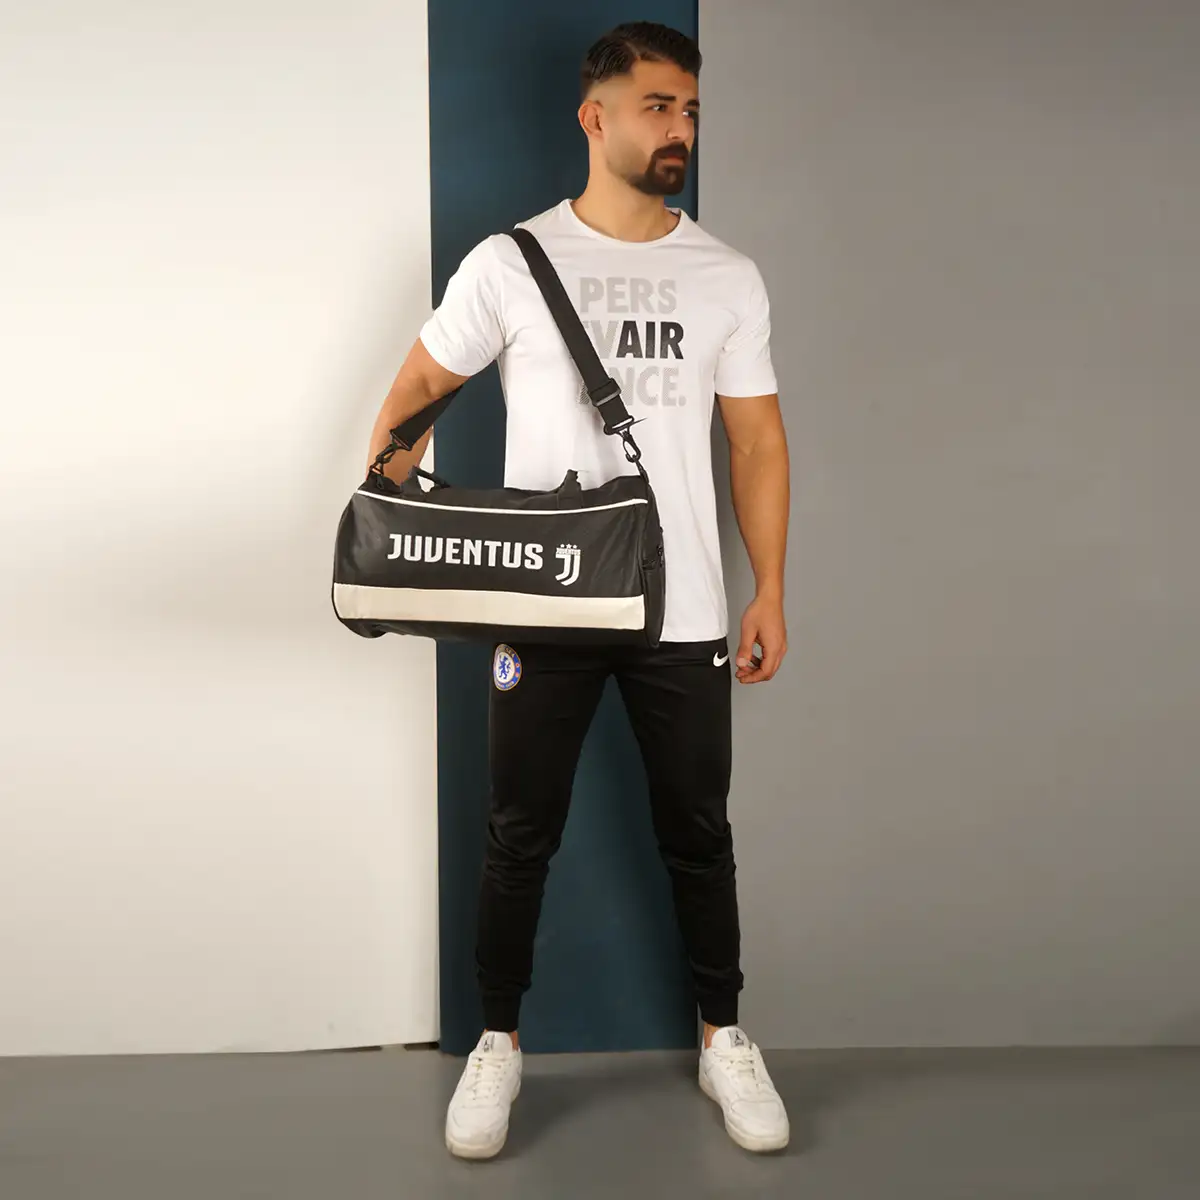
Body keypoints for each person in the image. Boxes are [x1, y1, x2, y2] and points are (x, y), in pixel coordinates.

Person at [365, 21, 791, 1159]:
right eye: (658, 106)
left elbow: (757, 443)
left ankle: (724, 1038)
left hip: (685, 608)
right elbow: (417, 391)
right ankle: (496, 1044)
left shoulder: (727, 276)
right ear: (595, 119)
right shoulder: (508, 263)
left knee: (698, 832)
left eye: (690, 110)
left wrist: (769, 589)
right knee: (518, 834)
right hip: (543, 603)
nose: (680, 129)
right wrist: (386, 528)